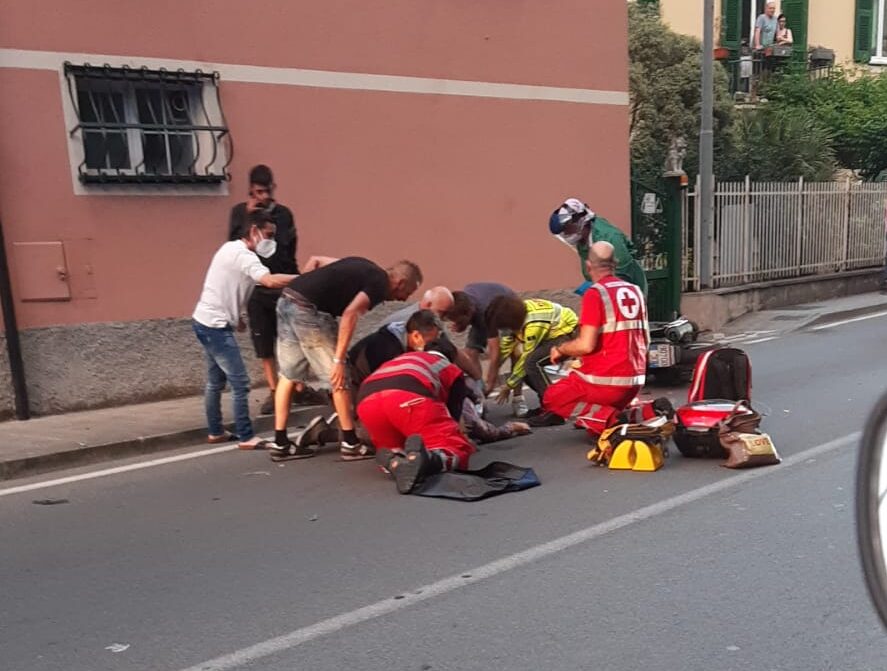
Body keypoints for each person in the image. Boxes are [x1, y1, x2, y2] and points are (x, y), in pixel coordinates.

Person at [266, 256, 422, 461]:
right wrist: (338, 360)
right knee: (339, 377)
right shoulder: (378, 284)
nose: (402, 299)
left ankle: (280, 442)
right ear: (400, 282)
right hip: (309, 311)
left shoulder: (364, 264)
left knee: (288, 375)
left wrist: (310, 285)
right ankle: (350, 443)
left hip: (287, 300)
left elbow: (318, 262)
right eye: (406, 293)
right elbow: (350, 314)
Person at [193, 211, 297, 449]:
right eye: (268, 234)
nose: (271, 241)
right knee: (240, 383)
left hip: (203, 320)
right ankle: (246, 436)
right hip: (216, 326)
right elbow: (269, 281)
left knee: (214, 382)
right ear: (253, 231)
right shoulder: (243, 256)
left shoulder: (229, 250)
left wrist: (239, 317)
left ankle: (215, 431)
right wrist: (304, 278)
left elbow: (233, 287)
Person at [528, 242, 649, 432]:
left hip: (604, 382)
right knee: (590, 392)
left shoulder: (596, 294)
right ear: (614, 263)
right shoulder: (635, 291)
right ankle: (646, 412)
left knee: (553, 397)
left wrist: (560, 349)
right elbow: (645, 339)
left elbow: (585, 345)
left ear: (588, 266)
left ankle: (609, 421)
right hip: (635, 380)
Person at [227, 165, 301, 416]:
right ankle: (273, 390)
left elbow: (290, 250)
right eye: (258, 192)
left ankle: (297, 388)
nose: (263, 197)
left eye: (267, 191)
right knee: (263, 342)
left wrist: (296, 280)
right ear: (250, 190)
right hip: (256, 288)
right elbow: (232, 247)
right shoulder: (239, 213)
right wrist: (248, 218)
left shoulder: (283, 214)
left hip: (282, 284)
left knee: (290, 339)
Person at [356, 339, 477, 494]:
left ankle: (395, 460)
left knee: (394, 443)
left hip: (367, 402)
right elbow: (452, 414)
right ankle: (431, 460)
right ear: (451, 356)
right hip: (408, 397)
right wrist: (462, 438)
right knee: (455, 448)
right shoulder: (448, 367)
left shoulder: (404, 358)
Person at [485, 296, 578, 415]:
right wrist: (491, 376)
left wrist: (508, 385)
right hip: (553, 334)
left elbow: (526, 357)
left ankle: (556, 409)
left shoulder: (534, 324)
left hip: (568, 333)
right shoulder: (516, 315)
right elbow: (504, 349)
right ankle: (548, 404)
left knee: (531, 363)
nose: (504, 330)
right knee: (525, 370)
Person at [549, 198, 648, 296]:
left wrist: (600, 292)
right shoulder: (583, 239)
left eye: (568, 229)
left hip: (627, 293)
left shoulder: (610, 237)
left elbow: (623, 274)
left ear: (581, 221)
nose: (566, 235)